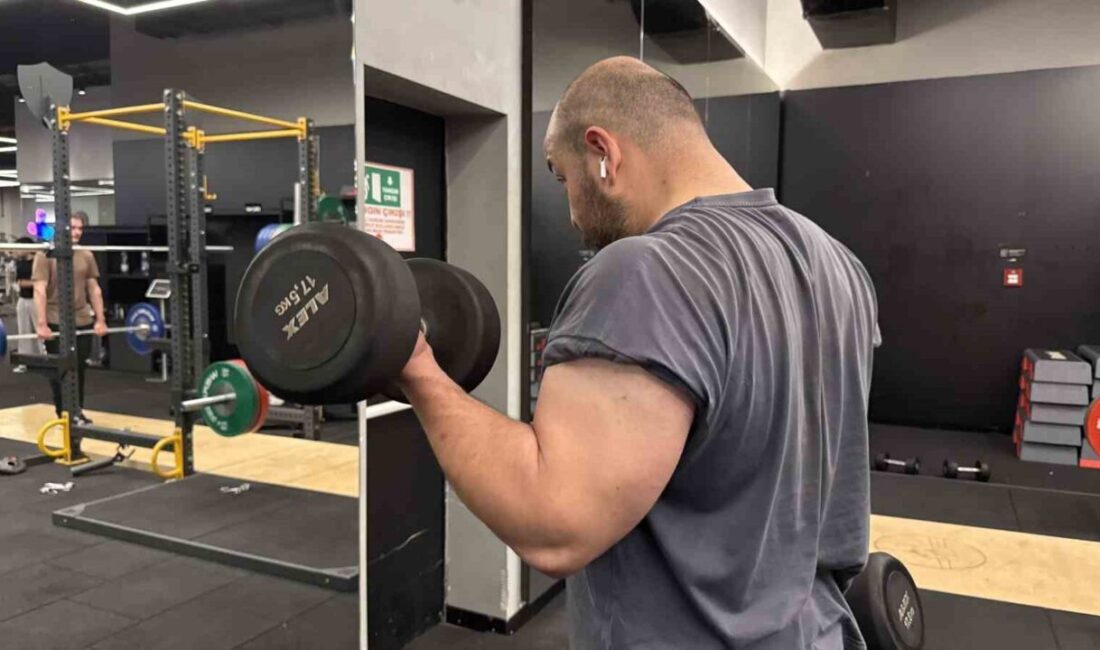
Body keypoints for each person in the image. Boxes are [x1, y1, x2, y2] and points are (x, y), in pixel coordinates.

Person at [395, 57, 880, 649]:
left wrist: (417, 369)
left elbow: (554, 526)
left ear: (603, 153)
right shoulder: (836, 262)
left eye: (561, 176)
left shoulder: (645, 271)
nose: (571, 210)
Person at [33, 211, 108, 424]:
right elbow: (39, 290)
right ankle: (64, 413)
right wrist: (41, 323)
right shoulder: (45, 255)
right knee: (60, 370)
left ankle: (77, 410)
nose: (77, 232)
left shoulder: (86, 255)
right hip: (55, 318)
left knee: (79, 368)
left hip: (82, 319)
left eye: (80, 229)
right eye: (72, 228)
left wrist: (100, 319)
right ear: (61, 230)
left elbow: (94, 290)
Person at [12, 236, 45, 372]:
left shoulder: (39, 262)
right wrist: (36, 283)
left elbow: (43, 282)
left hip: (36, 300)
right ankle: (25, 361)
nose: (17, 251)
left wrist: (36, 283)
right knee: (23, 331)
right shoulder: (20, 263)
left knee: (41, 330)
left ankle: (45, 360)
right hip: (23, 299)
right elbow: (20, 282)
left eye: (19, 248)